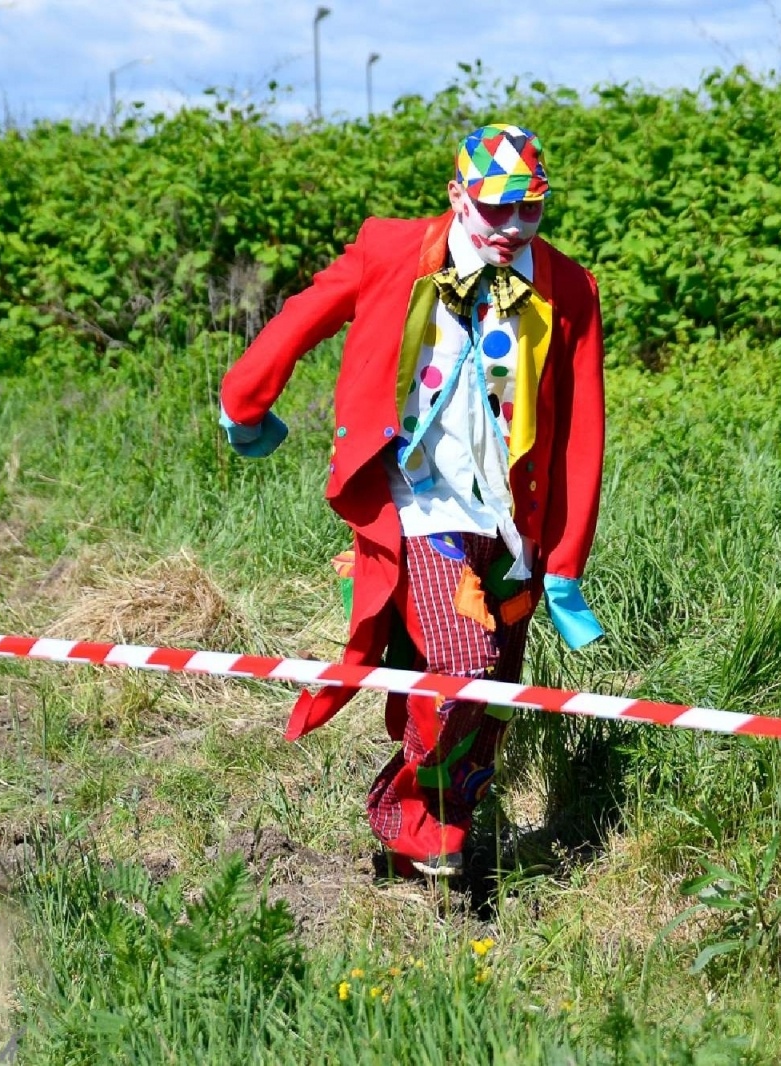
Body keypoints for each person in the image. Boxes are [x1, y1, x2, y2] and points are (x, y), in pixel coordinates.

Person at [218, 124, 607, 877]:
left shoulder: (569, 286)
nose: (512, 229)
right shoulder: (395, 249)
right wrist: (246, 401)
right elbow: (307, 313)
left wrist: (565, 561)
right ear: (458, 196)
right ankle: (410, 814)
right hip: (420, 499)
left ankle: (439, 835)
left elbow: (584, 429)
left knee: (492, 692)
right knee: (463, 658)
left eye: (530, 211)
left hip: (509, 516)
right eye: (495, 210)